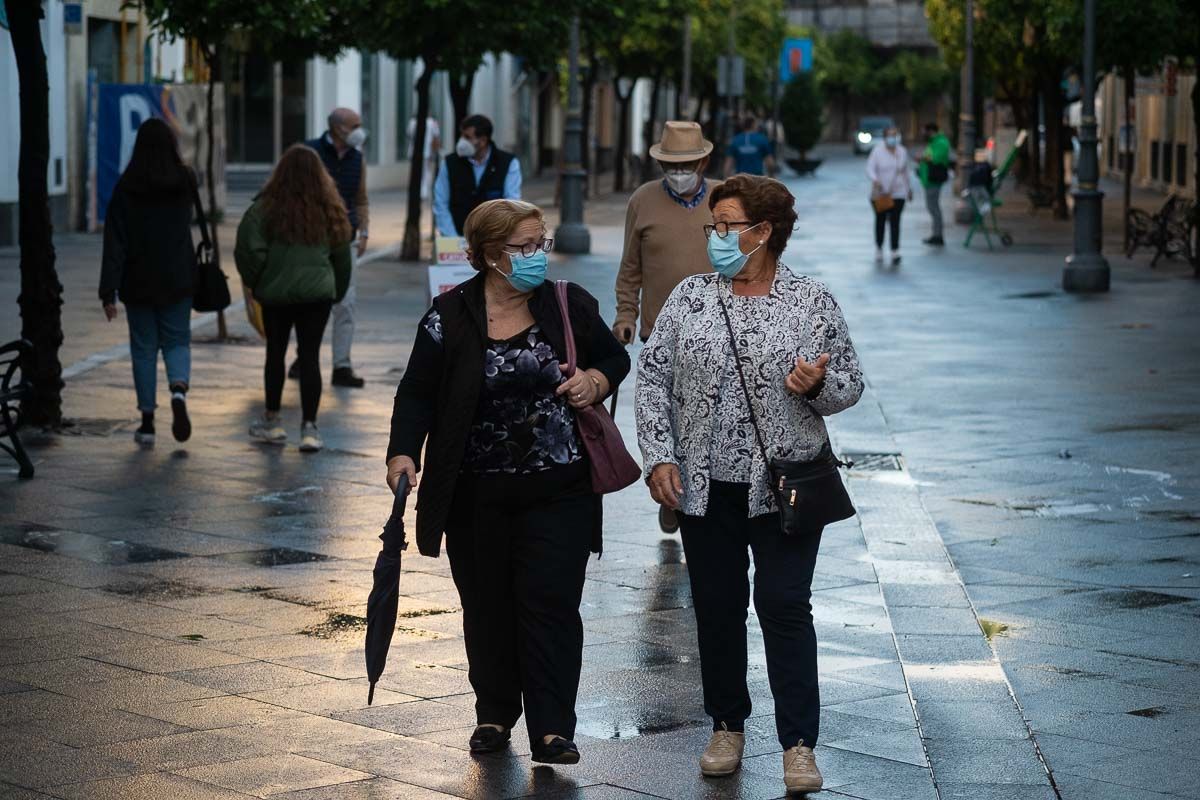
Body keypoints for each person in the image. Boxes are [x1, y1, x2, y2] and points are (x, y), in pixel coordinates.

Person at [635, 175, 863, 796]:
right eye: (714, 226)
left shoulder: (810, 300)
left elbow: (849, 386)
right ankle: (727, 725)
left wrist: (815, 385)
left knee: (785, 607)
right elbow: (652, 378)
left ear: (763, 233)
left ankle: (798, 744)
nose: (716, 237)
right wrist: (660, 457)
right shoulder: (689, 299)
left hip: (786, 486)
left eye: (727, 226)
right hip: (707, 487)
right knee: (717, 607)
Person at [385, 199, 629, 765]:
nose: (537, 255)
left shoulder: (569, 303)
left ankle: (551, 728)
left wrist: (594, 380)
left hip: (559, 490)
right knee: (487, 607)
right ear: (492, 256)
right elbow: (417, 391)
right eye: (524, 246)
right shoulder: (448, 315)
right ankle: (494, 713)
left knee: (551, 605)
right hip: (475, 494)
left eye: (541, 243)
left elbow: (614, 359)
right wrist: (403, 452)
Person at [614, 119, 720, 535]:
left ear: (704, 161)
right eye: (671, 166)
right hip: (661, 335)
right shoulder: (642, 200)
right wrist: (626, 315)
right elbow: (630, 268)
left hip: (717, 334)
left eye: (687, 165)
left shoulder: (726, 198)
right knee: (668, 423)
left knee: (709, 423)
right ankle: (672, 494)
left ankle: (708, 495)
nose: (679, 173)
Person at [235, 144, 352, 453]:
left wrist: (258, 282)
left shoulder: (264, 208)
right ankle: (310, 429)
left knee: (275, 353)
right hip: (318, 294)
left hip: (276, 294)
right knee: (310, 356)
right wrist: (336, 290)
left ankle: (272, 422)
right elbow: (342, 256)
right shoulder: (330, 208)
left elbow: (249, 249)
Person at [99, 117, 197, 446]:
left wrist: (108, 291)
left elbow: (115, 241)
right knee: (177, 341)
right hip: (178, 277)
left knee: (143, 349)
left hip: (138, 279)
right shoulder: (185, 179)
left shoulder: (126, 186)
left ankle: (147, 423)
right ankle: (179, 392)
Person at [289, 108, 368, 388]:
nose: (360, 129)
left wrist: (364, 231)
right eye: (355, 124)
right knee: (311, 301)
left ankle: (341, 365)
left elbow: (360, 198)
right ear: (338, 128)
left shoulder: (357, 158)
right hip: (312, 243)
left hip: (345, 240)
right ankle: (304, 356)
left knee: (346, 303)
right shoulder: (308, 153)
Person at [432, 114, 522, 237]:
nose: (462, 142)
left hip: (493, 241)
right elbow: (441, 203)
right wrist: (453, 239)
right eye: (462, 136)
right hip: (457, 239)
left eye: (467, 137)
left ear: (483, 141)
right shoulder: (449, 163)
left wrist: (496, 239)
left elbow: (511, 204)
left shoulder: (508, 163)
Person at [865, 125, 912, 266]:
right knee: (880, 220)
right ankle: (879, 247)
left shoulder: (902, 151)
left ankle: (895, 250)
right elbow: (869, 168)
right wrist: (875, 180)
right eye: (890, 135)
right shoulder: (877, 151)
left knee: (895, 221)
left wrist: (909, 189)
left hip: (898, 192)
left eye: (895, 135)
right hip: (881, 193)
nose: (893, 138)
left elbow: (905, 172)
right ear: (885, 137)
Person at [917, 122, 951, 246]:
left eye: (924, 131)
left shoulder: (941, 143)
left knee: (933, 208)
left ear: (930, 131)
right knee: (932, 207)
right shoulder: (934, 142)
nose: (923, 134)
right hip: (929, 180)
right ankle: (936, 234)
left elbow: (935, 158)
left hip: (934, 180)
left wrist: (922, 159)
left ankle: (938, 235)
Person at [407, 113, 442, 199]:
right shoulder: (432, 122)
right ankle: (424, 192)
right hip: (426, 151)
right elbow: (436, 136)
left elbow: (409, 135)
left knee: (417, 171)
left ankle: (419, 191)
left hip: (414, 152)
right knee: (426, 172)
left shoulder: (412, 122)